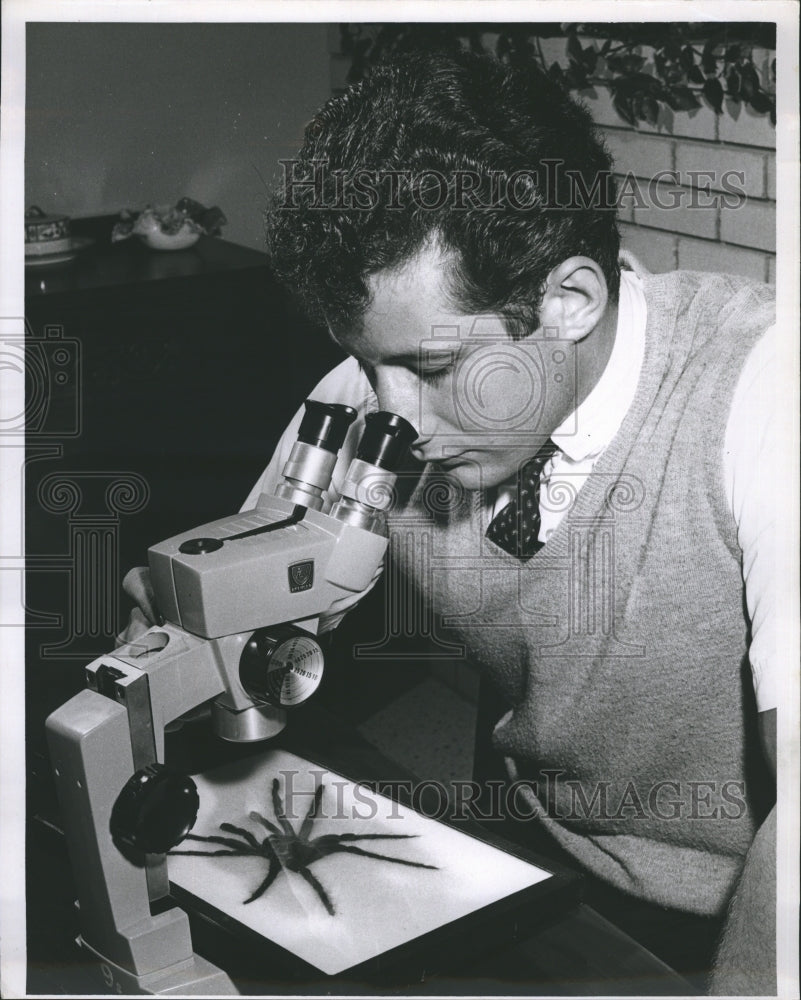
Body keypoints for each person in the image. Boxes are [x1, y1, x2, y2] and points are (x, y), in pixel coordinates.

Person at [122, 51, 778, 994]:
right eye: (367, 362)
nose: (397, 423)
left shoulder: (763, 394)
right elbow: (237, 618)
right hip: (521, 853)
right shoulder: (379, 393)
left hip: (731, 916)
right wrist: (185, 624)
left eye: (431, 372)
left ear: (567, 302)